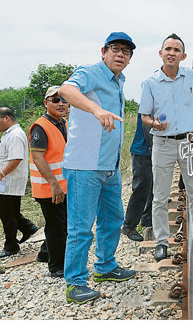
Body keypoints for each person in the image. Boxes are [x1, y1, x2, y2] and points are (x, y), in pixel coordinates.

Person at [58, 32, 137, 305]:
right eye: (115, 49)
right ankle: (75, 283)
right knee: (81, 228)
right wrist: (95, 109)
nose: (120, 55)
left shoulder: (119, 81)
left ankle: (105, 267)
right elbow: (66, 91)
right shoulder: (90, 72)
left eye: (126, 52)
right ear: (103, 51)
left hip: (109, 167)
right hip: (84, 167)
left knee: (113, 220)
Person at [139, 33, 193, 262]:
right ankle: (161, 242)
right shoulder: (150, 82)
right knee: (160, 195)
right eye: (168, 49)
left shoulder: (191, 77)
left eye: (176, 50)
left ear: (183, 56)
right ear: (160, 53)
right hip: (162, 144)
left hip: (188, 143)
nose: (171, 53)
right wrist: (154, 123)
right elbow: (144, 115)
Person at [0, 107, 38, 260]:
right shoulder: (8, 134)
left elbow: (16, 159)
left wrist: (0, 174)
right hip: (1, 184)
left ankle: (11, 246)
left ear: (7, 118)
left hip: (9, 183)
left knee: (8, 215)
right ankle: (27, 227)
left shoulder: (16, 135)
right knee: (0, 209)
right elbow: (7, 153)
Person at [29, 86, 70, 278]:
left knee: (61, 224)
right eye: (55, 100)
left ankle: (45, 253)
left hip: (63, 186)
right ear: (46, 103)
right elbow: (38, 158)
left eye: (63, 99)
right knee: (57, 228)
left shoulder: (63, 124)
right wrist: (54, 184)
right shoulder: (41, 127)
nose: (60, 103)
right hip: (49, 188)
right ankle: (56, 267)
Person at [122, 113, 153, 242]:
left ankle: (147, 220)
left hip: (153, 150)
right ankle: (129, 226)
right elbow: (147, 127)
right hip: (143, 151)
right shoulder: (150, 99)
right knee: (141, 188)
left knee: (154, 188)